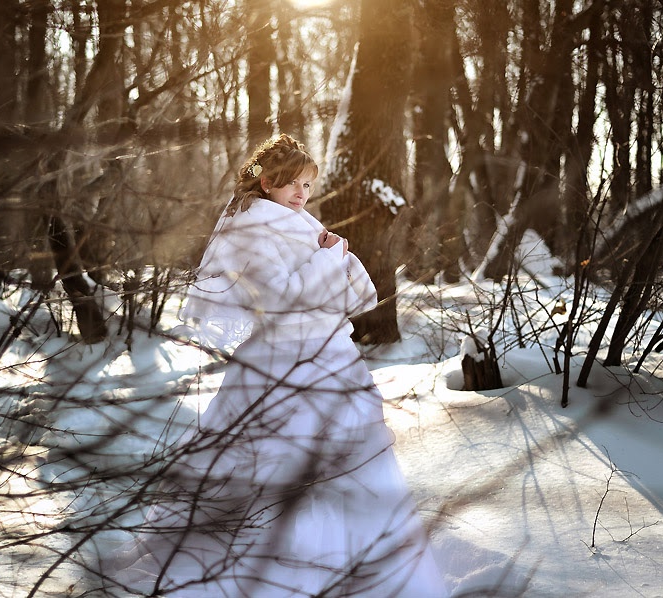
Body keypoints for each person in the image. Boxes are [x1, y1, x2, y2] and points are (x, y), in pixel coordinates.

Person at [104, 134, 447, 597]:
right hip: (281, 365)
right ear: (267, 182)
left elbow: (361, 298)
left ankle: (366, 567)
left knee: (350, 466)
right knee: (278, 463)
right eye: (294, 184)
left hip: (333, 360)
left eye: (308, 185)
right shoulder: (250, 228)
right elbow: (280, 299)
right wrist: (329, 259)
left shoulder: (301, 223)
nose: (303, 194)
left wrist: (339, 254)